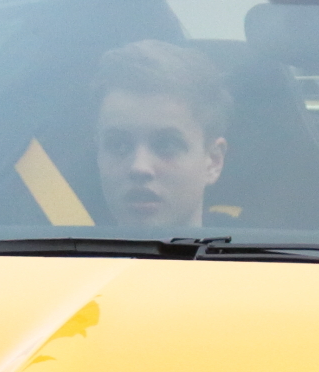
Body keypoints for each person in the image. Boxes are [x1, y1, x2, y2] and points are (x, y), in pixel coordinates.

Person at [93, 39, 229, 231]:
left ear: (213, 161)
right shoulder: (53, 258)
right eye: (118, 145)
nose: (139, 167)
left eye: (167, 145)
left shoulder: (263, 258)